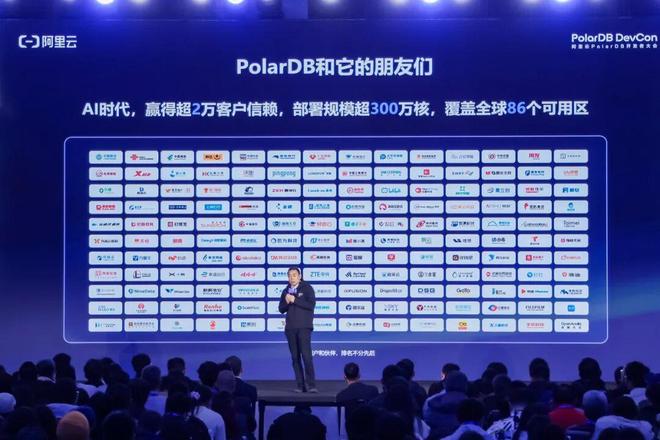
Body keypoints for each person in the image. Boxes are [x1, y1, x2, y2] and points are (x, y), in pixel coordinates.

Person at [278, 266, 317, 393]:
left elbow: (311, 305)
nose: (292, 278)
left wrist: (295, 299)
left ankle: (311, 385)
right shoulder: (286, 291)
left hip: (304, 327)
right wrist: (287, 301)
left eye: (294, 275)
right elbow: (281, 309)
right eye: (289, 275)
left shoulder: (307, 288)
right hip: (290, 328)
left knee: (306, 356)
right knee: (295, 358)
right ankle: (300, 385)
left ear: (299, 276)